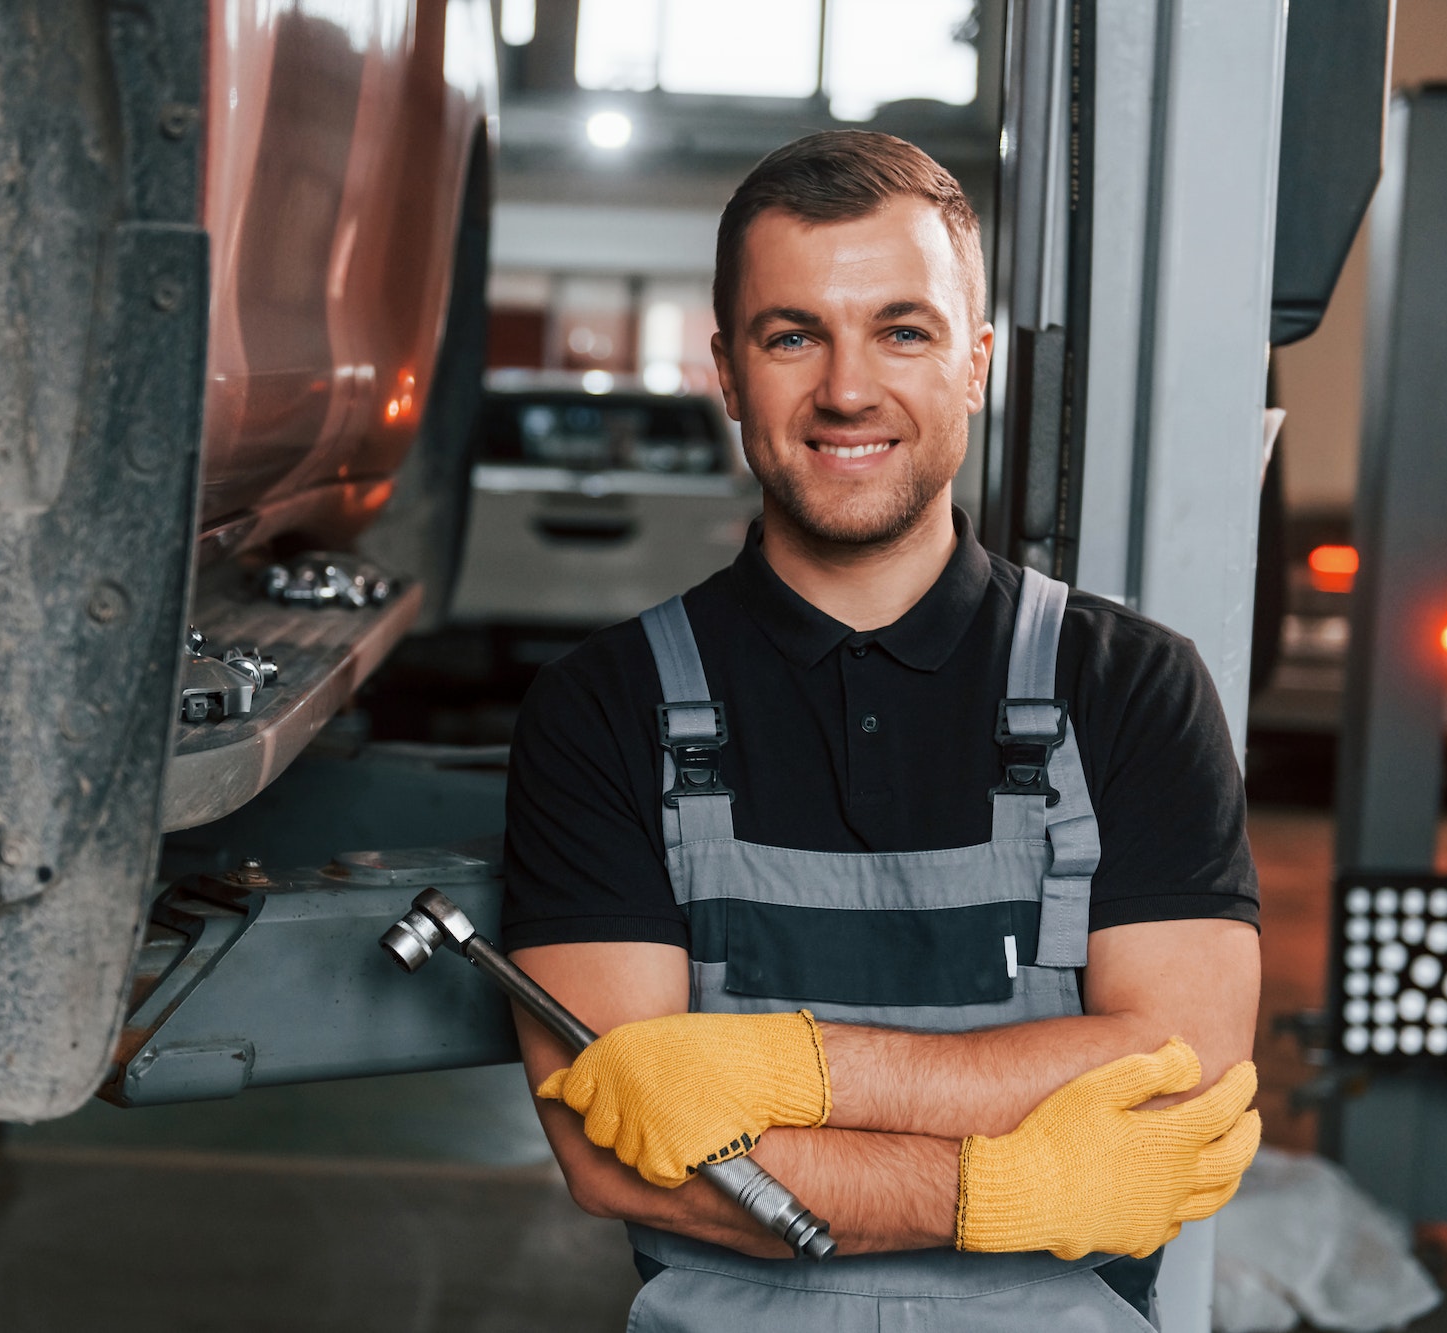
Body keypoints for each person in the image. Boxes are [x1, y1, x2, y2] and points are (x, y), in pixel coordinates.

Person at [500, 130, 1262, 1331]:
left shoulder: (1131, 687)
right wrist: (1005, 1184)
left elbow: (1182, 1079)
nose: (845, 389)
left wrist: (792, 1077)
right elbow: (615, 1155)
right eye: (791, 334)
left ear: (974, 362)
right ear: (727, 370)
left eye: (901, 330)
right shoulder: (602, 707)